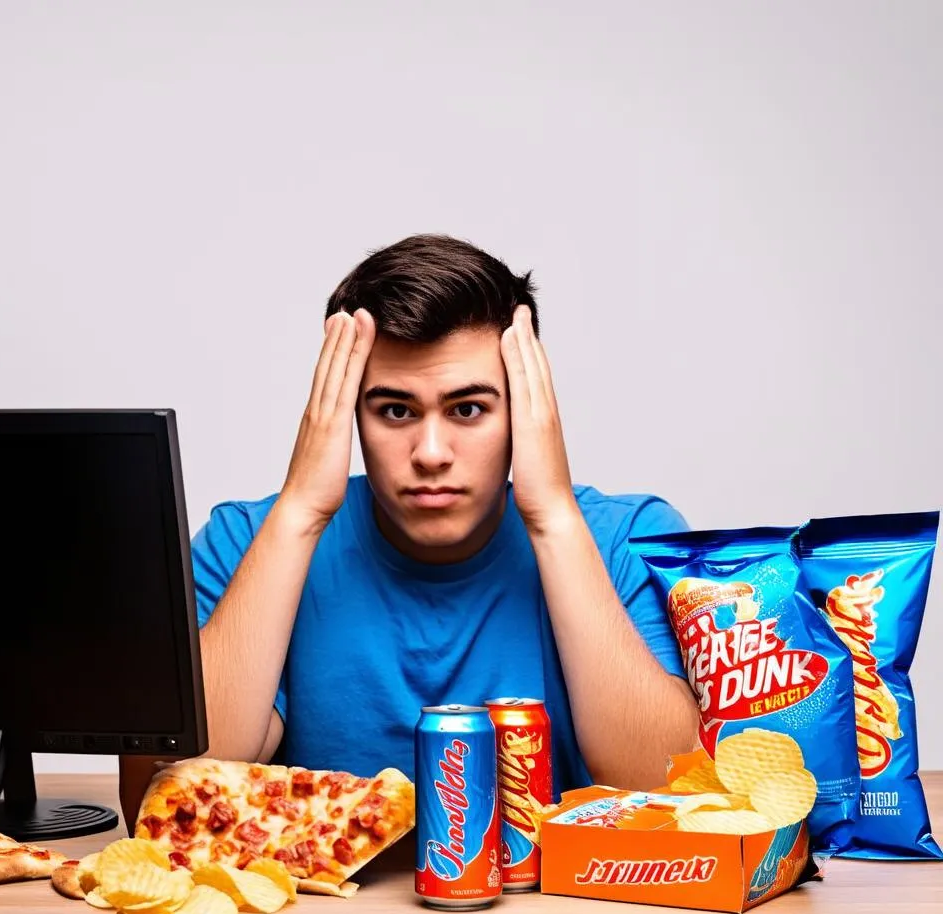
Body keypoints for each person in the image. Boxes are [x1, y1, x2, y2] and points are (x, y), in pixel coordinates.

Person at [119, 234, 699, 829]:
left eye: (468, 409)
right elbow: (159, 804)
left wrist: (552, 515)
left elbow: (671, 795)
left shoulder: (630, 538)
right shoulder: (246, 542)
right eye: (394, 410)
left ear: (527, 412)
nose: (430, 452)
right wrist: (298, 513)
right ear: (347, 413)